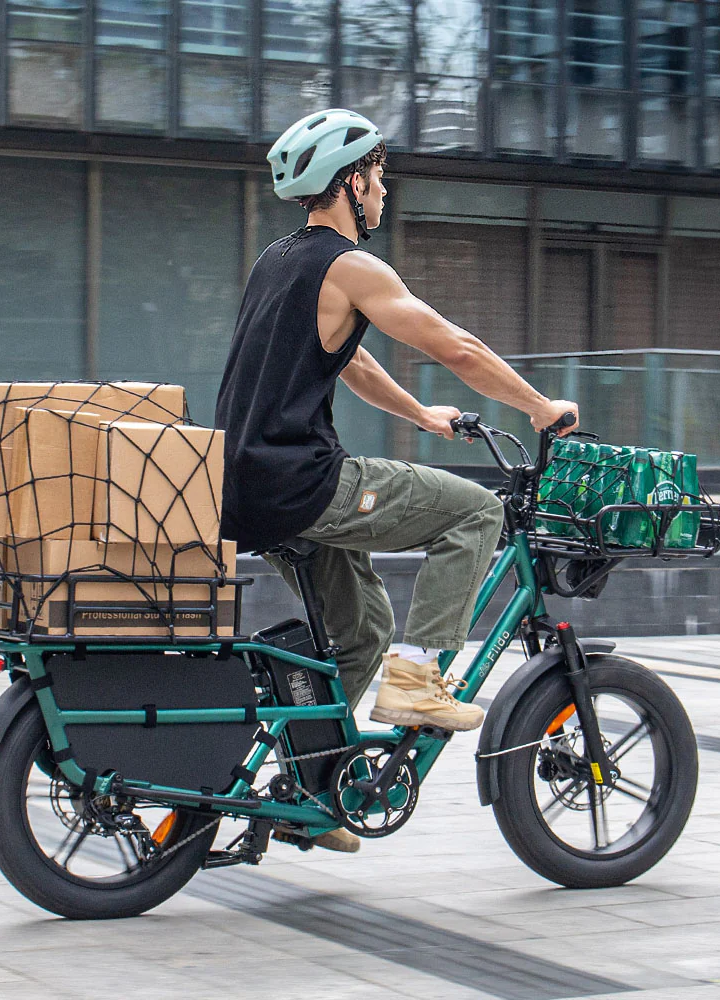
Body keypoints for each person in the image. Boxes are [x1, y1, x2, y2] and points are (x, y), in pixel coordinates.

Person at [215, 109, 578, 850]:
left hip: (242, 490)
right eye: (378, 178)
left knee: (363, 631)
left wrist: (418, 415)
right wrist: (541, 407)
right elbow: (455, 345)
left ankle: (314, 798)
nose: (383, 193)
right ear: (350, 183)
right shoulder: (351, 265)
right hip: (304, 482)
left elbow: (348, 359)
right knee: (475, 513)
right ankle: (417, 680)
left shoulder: (277, 262)